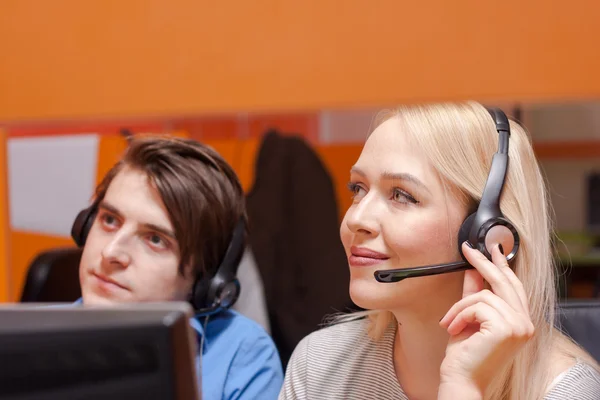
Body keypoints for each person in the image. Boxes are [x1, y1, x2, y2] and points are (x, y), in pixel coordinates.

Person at [279, 102, 600, 400]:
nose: (356, 219)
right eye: (358, 189)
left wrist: (463, 386)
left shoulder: (565, 392)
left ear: (487, 234)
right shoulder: (319, 365)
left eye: (402, 195)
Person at [73, 135, 283, 399]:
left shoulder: (242, 356)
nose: (110, 252)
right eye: (110, 220)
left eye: (155, 239)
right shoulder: (20, 341)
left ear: (205, 276)